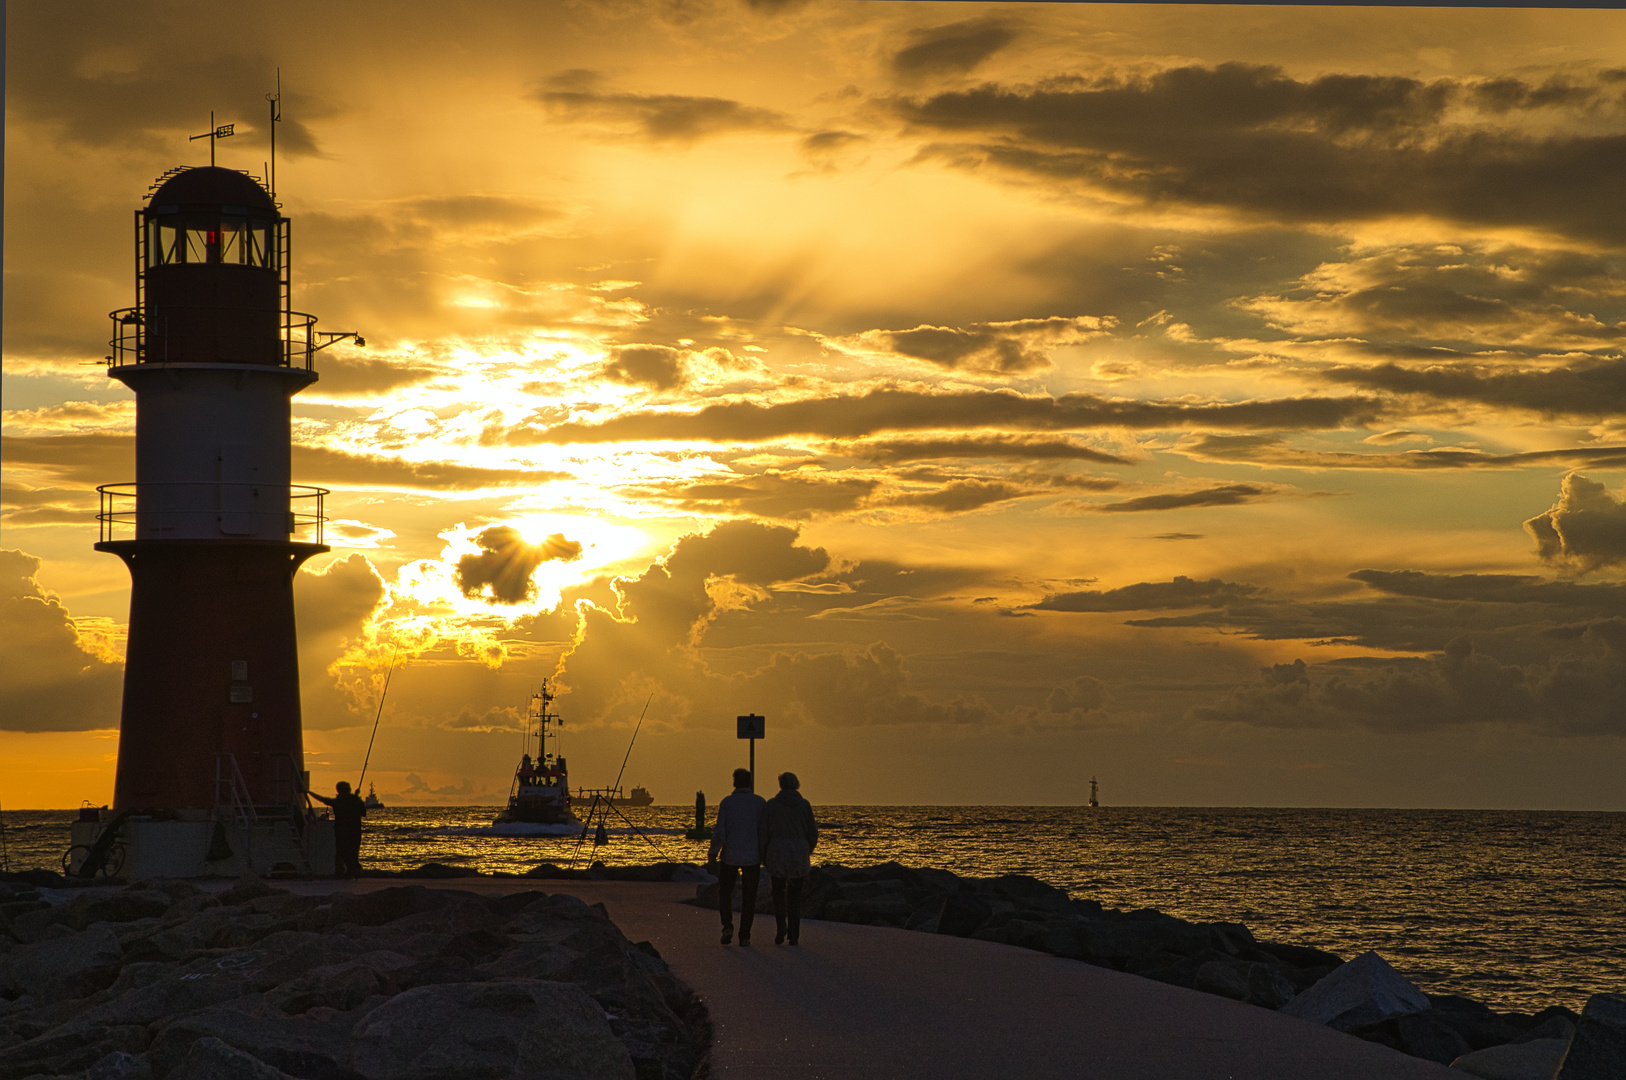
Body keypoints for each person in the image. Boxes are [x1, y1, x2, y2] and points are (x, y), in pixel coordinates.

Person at [708, 767, 767, 946]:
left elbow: (721, 831)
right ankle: (745, 934)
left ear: (734, 782)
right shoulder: (760, 803)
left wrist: (713, 852)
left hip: (730, 855)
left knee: (725, 892)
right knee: (750, 896)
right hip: (753, 856)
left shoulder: (727, 803)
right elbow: (763, 831)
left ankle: (727, 926)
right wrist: (765, 853)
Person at [761, 771, 819, 946]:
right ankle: (794, 933)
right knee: (795, 895)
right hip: (798, 851)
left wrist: (764, 855)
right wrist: (807, 849)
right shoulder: (804, 805)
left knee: (778, 893)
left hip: (777, 851)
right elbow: (813, 832)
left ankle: (781, 927)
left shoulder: (771, 805)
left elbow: (764, 832)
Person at [313, 780, 367, 878]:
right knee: (354, 851)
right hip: (355, 830)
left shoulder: (338, 801)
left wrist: (309, 792)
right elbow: (363, 812)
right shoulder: (356, 800)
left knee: (341, 851)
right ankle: (353, 870)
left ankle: (341, 872)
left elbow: (323, 799)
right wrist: (357, 797)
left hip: (341, 830)